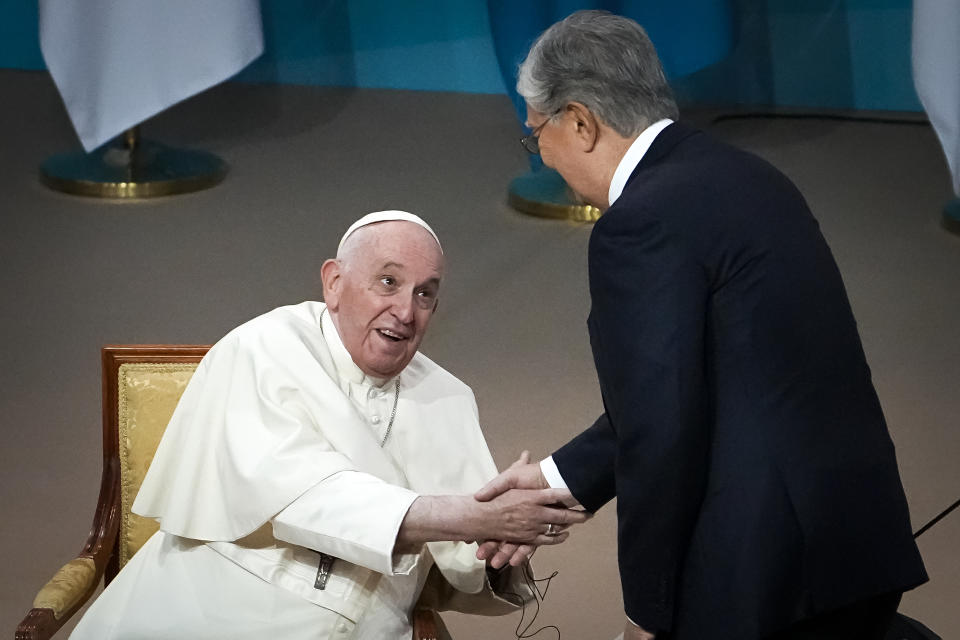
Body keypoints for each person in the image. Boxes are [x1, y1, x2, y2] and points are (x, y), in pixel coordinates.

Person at [475, 10, 928, 640]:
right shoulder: (751, 178)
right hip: (851, 547)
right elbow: (711, 385)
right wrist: (559, 480)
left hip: (759, 581)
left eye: (536, 136)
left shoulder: (638, 225)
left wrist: (648, 612)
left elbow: (664, 426)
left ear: (579, 122)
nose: (544, 158)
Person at [70, 211, 587, 640]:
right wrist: (473, 519)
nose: (406, 311)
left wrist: (500, 545)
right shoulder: (264, 348)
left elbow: (463, 565)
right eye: (388, 282)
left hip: (367, 624)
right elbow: (305, 498)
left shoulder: (447, 397)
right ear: (334, 283)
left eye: (426, 294)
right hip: (221, 605)